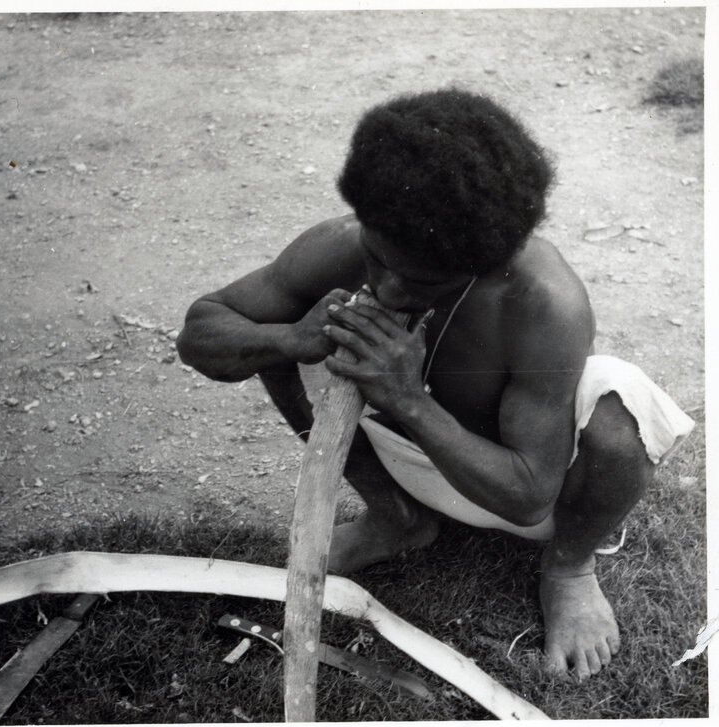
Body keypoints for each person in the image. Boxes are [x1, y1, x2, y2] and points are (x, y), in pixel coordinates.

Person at [175, 88, 694, 682]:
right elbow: (200, 332)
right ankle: (396, 517)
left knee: (619, 407)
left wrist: (408, 398)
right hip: (410, 463)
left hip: (520, 491)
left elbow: (529, 499)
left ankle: (570, 569)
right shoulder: (342, 242)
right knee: (276, 334)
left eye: (424, 281)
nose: (389, 291)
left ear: (481, 262)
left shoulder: (542, 301)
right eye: (377, 259)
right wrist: (289, 339)